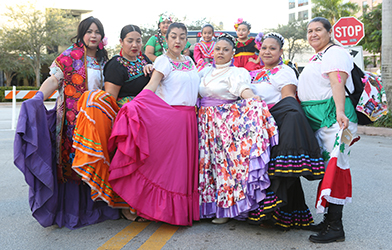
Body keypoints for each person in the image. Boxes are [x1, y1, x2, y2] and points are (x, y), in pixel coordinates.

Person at [14, 16, 120, 229]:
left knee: (93, 159)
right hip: (72, 123)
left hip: (96, 123)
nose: (93, 35)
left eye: (97, 32)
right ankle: (73, 212)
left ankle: (96, 207)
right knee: (72, 164)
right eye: (89, 31)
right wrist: (38, 97)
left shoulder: (104, 61)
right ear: (82, 34)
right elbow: (54, 80)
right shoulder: (68, 57)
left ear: (101, 36)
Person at [108, 22, 200, 226]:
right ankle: (157, 210)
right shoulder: (162, 61)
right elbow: (151, 86)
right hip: (170, 119)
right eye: (173, 36)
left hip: (189, 122)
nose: (178, 40)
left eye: (182, 36)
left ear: (186, 40)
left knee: (181, 170)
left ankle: (180, 212)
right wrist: (134, 106)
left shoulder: (190, 62)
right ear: (165, 39)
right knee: (166, 170)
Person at [71, 24, 153, 222]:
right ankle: (125, 205)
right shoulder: (116, 64)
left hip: (147, 114)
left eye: (138, 40)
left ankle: (147, 201)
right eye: (130, 40)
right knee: (130, 162)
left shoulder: (145, 60)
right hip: (126, 118)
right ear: (121, 42)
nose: (135, 45)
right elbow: (110, 100)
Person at [246, 32, 325, 230]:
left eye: (272, 48)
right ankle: (278, 215)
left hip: (277, 124)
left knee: (277, 169)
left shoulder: (285, 71)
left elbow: (288, 99)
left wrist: (270, 119)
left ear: (281, 52)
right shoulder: (253, 74)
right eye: (264, 48)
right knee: (262, 170)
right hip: (256, 128)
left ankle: (278, 213)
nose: (267, 51)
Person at [198, 33, 279, 224]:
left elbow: (242, 88)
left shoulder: (237, 72)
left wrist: (252, 98)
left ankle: (226, 209)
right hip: (204, 123)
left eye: (225, 50)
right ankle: (207, 206)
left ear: (232, 53)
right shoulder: (203, 72)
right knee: (206, 165)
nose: (220, 53)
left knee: (224, 165)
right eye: (217, 49)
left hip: (224, 123)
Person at [297, 17, 359, 243]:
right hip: (320, 119)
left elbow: (337, 83)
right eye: (309, 30)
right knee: (327, 170)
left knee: (337, 168)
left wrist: (340, 112)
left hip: (334, 117)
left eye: (318, 30)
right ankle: (327, 220)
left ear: (329, 32)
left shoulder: (335, 52)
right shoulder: (318, 55)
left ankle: (336, 227)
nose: (312, 34)